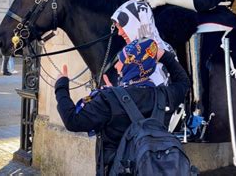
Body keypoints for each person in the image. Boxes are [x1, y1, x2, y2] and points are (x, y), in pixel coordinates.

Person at [54, 38, 190, 174]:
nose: (116, 66)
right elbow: (183, 82)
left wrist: (61, 85)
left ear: (130, 65)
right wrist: (165, 56)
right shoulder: (164, 96)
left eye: (120, 61)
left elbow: (73, 121)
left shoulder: (108, 100)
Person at [111, 0, 176, 86]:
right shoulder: (164, 47)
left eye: (122, 27)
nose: (119, 33)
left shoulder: (156, 57)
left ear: (137, 23)